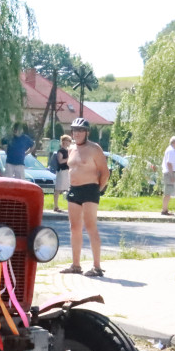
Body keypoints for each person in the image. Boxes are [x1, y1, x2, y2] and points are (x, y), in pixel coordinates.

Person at [60, 117, 110, 277]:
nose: (77, 133)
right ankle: (76, 265)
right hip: (74, 190)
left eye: (81, 130)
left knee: (90, 226)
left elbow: (105, 172)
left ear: (87, 132)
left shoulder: (94, 148)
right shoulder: (71, 149)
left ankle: (97, 266)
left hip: (90, 189)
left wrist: (98, 189)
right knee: (74, 228)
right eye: (75, 130)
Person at [161, 136, 175, 215]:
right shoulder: (171, 150)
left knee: (169, 193)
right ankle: (164, 210)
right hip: (170, 173)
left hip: (171, 173)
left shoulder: (171, 150)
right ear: (174, 142)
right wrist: (172, 175)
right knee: (168, 192)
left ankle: (165, 209)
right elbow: (169, 163)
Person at [52, 134, 71, 212]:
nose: (69, 142)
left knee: (68, 189)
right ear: (64, 141)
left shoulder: (68, 151)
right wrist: (68, 158)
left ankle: (70, 206)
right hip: (61, 171)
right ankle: (55, 206)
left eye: (70, 141)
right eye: (68, 141)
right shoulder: (60, 151)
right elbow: (60, 161)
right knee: (58, 189)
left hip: (68, 171)